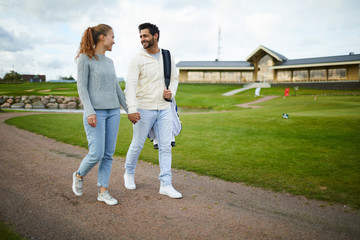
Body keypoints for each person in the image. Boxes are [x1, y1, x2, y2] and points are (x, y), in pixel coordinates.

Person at [72, 24, 136, 206]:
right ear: (102, 37)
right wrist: (90, 111)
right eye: (112, 37)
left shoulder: (110, 62)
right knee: (96, 153)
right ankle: (78, 175)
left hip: (113, 112)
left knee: (108, 154)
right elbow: (82, 87)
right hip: (96, 113)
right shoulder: (85, 59)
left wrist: (129, 109)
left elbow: (116, 89)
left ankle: (103, 191)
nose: (114, 41)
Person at [124, 22, 182, 198]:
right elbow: (130, 86)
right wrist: (131, 109)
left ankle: (166, 183)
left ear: (155, 36)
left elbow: (175, 78)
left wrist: (171, 92)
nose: (142, 39)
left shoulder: (167, 55)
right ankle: (129, 173)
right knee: (138, 144)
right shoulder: (137, 59)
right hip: (143, 109)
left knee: (166, 147)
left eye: (145, 36)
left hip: (164, 108)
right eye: (141, 36)